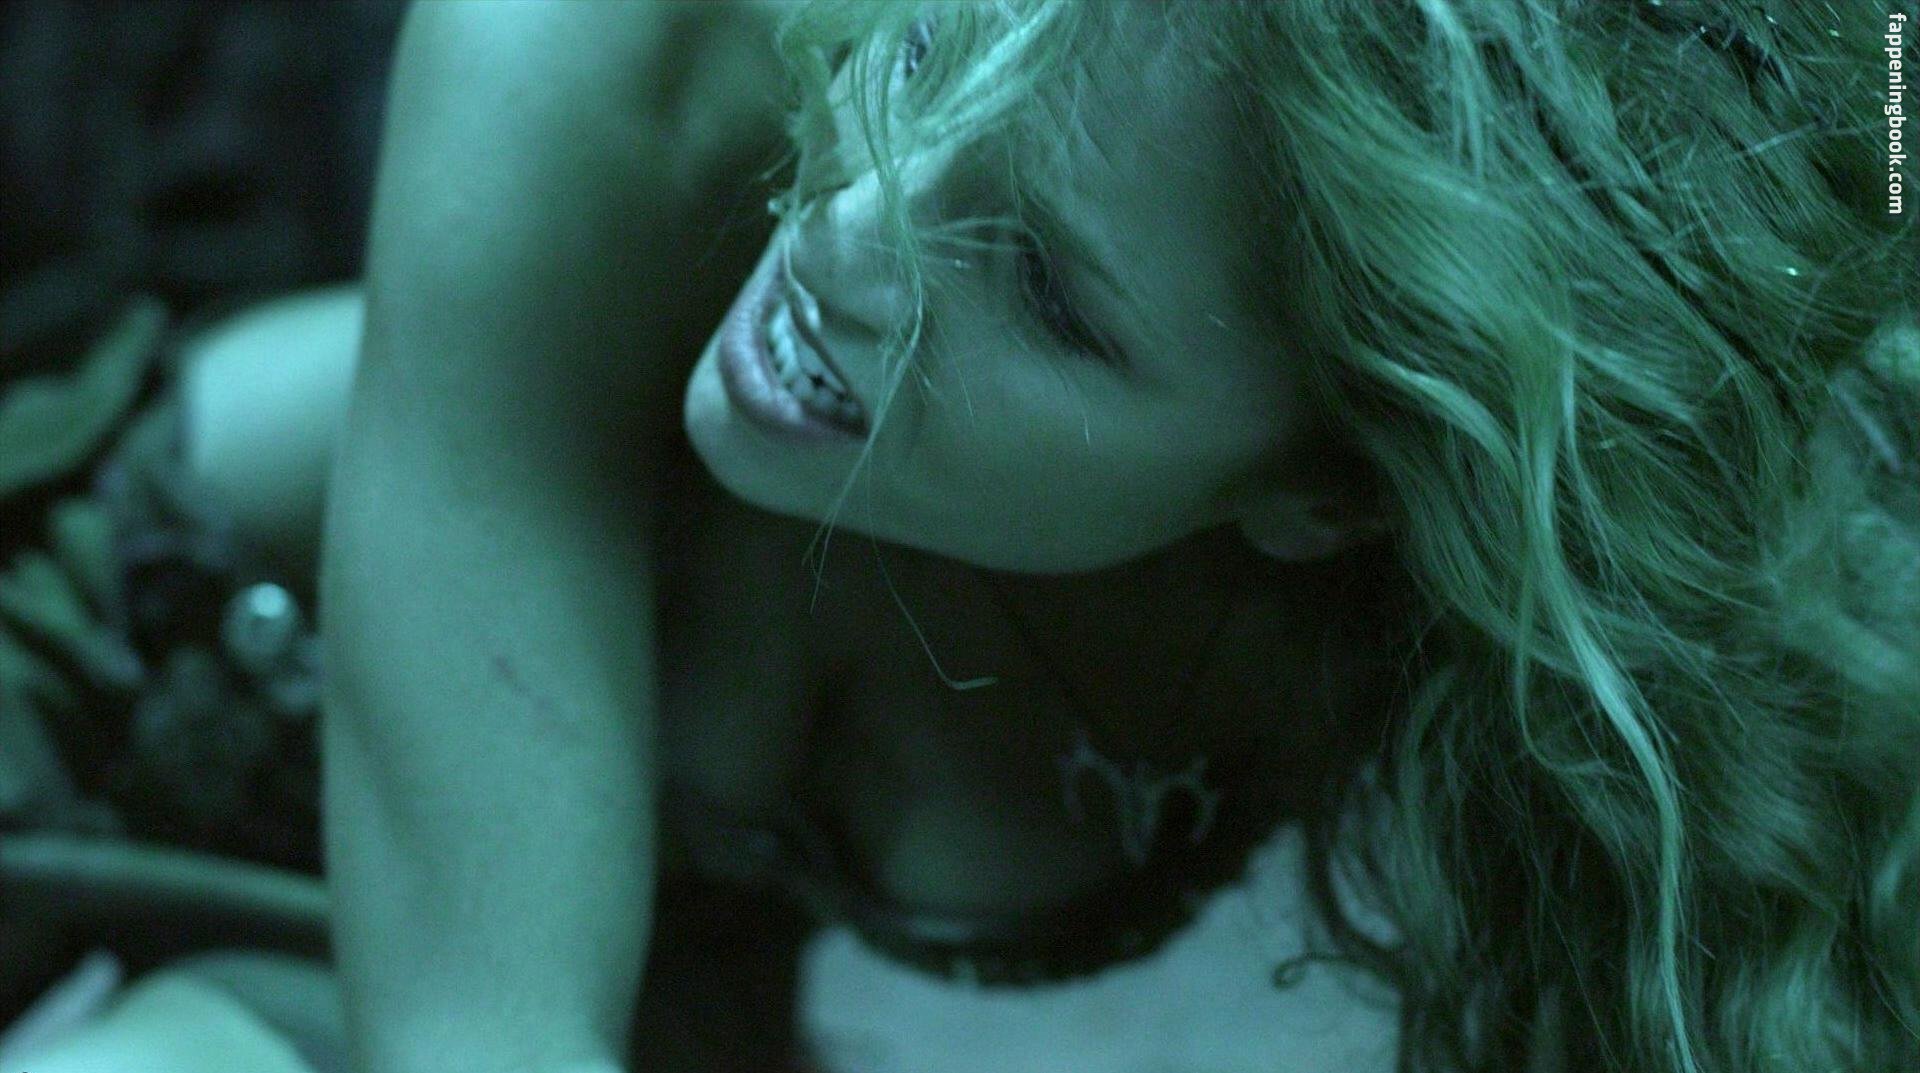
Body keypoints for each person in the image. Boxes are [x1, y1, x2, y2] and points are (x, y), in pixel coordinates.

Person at [307, 1, 1920, 1072]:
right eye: (931, 38)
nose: (850, 235)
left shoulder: (1584, 619)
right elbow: (480, 1037)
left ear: (1337, 495)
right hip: (238, 781)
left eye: (1040, 288)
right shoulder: (598, 54)